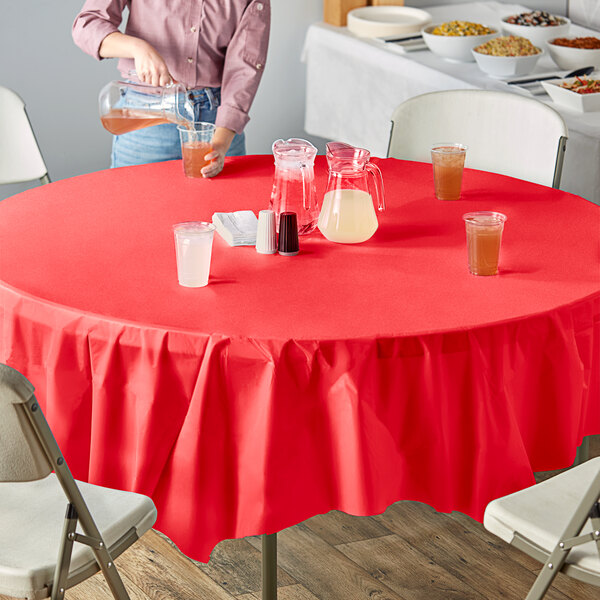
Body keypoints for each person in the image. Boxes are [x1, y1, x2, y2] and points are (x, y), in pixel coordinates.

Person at [72, 0, 270, 177]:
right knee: (138, 211)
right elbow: (87, 25)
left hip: (217, 122)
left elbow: (244, 65)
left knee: (221, 212)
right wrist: (138, 48)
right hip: (146, 119)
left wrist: (221, 140)